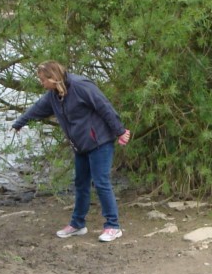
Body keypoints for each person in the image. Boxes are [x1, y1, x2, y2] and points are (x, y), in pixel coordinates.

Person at [12, 60, 131, 242]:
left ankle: (113, 226)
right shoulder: (53, 95)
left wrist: (120, 131)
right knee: (80, 184)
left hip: (100, 141)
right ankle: (77, 224)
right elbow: (37, 109)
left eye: (43, 80)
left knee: (101, 182)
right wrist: (19, 123)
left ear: (53, 78)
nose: (41, 83)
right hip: (80, 145)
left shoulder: (80, 86)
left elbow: (104, 106)